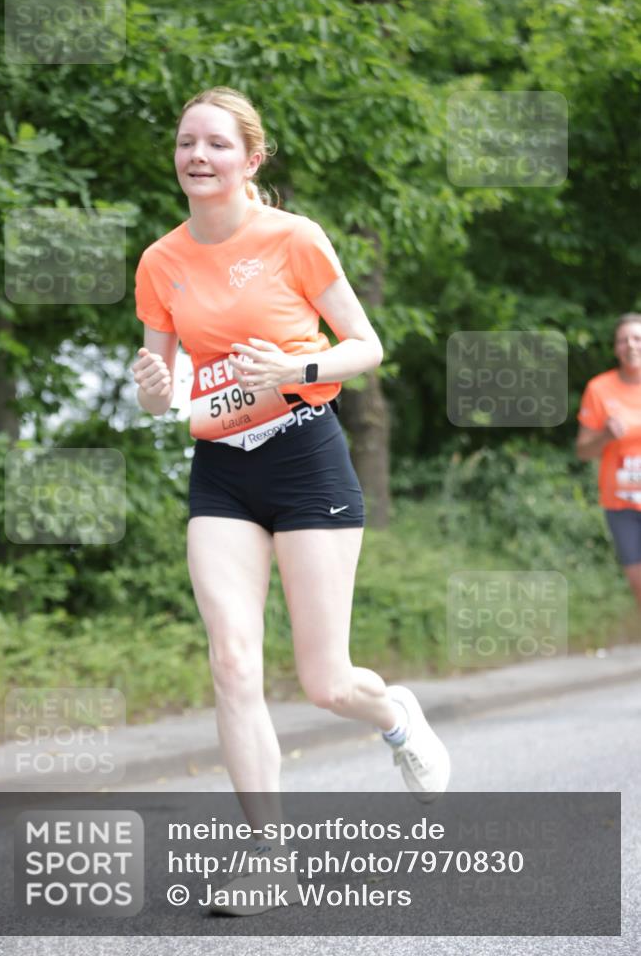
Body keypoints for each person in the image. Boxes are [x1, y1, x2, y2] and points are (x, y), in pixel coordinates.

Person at [132, 86, 450, 914]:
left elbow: (365, 346)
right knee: (233, 662)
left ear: (251, 159)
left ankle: (395, 718)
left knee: (324, 682)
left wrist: (295, 371)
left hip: (307, 457)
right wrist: (153, 386)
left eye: (216, 145)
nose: (197, 157)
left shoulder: (293, 239)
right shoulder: (160, 260)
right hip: (222, 470)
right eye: (185, 143)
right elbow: (162, 397)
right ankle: (267, 856)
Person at [576, 313, 641, 612]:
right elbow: (583, 451)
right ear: (615, 348)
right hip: (621, 504)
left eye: (637, 338)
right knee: (638, 583)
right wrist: (604, 435)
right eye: (623, 339)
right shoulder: (599, 389)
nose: (631, 345)